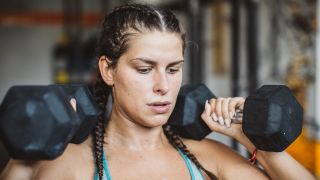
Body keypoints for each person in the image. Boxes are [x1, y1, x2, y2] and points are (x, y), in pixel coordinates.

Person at [0, 3, 315, 180]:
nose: (163, 86)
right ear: (108, 70)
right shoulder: (71, 164)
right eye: (144, 69)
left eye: (173, 69)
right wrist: (24, 157)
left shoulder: (206, 159)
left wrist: (251, 138)